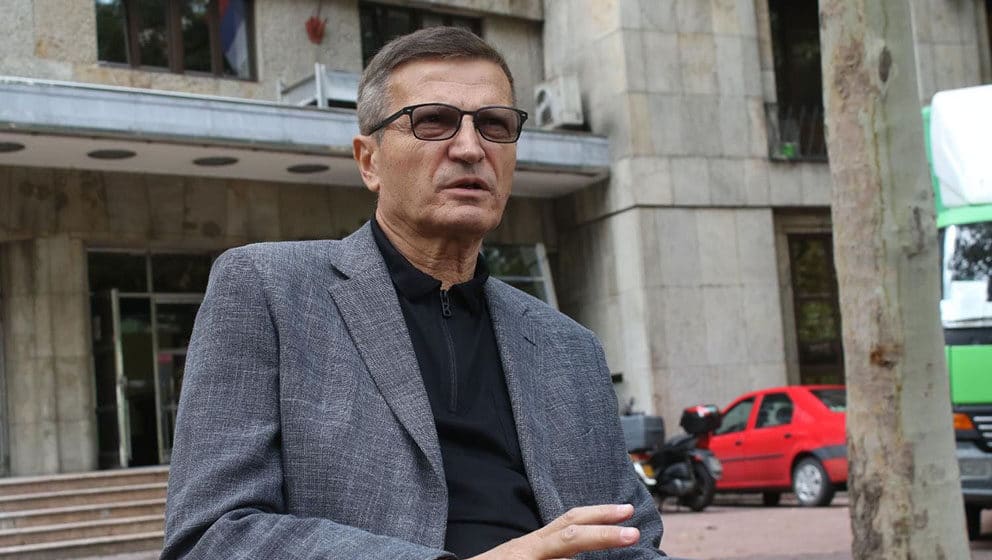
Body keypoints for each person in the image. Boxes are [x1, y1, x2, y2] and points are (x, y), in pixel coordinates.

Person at [162, 26, 665, 560]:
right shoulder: (269, 291)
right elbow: (212, 536)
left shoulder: (570, 348)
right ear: (369, 161)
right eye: (433, 121)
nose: (470, 148)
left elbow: (632, 542)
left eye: (494, 125)